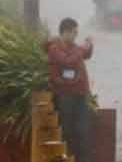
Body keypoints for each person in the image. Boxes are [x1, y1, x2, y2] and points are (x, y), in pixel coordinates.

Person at [46, 18, 94, 162]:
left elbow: (86, 54)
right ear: (65, 32)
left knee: (83, 131)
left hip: (80, 94)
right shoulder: (54, 48)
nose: (76, 36)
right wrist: (81, 49)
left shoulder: (74, 47)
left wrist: (89, 45)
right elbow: (68, 61)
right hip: (65, 95)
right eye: (74, 32)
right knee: (66, 131)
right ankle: (65, 159)